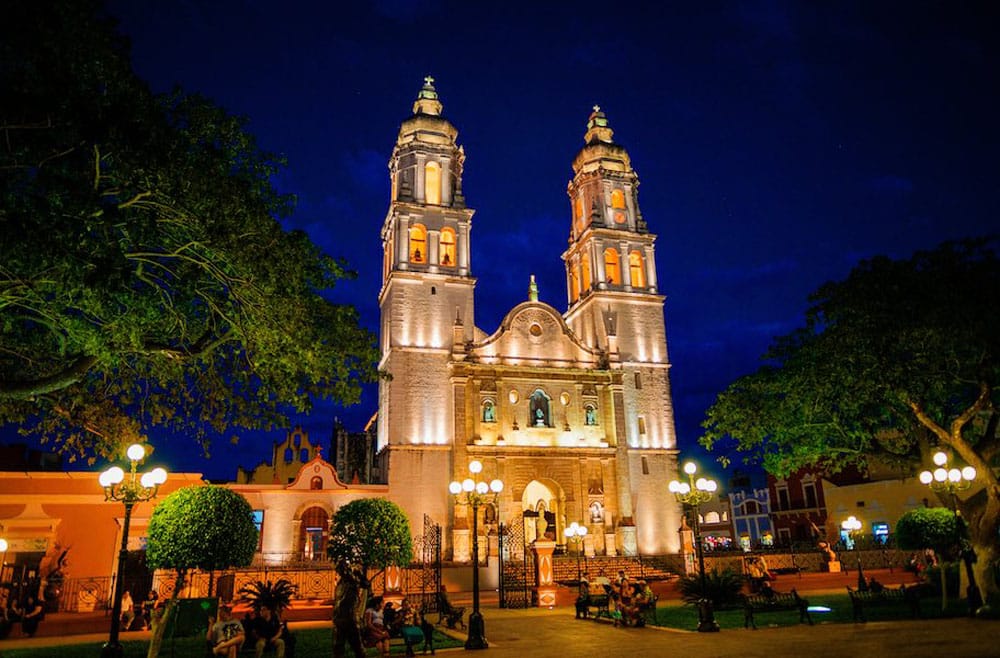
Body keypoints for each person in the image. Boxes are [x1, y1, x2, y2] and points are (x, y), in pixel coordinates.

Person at [332, 560, 367, 658]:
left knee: (358, 646)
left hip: (350, 618)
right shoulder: (341, 584)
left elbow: (366, 584)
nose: (340, 572)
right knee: (338, 647)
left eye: (342, 569)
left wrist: (359, 574)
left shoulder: (353, 581)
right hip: (339, 618)